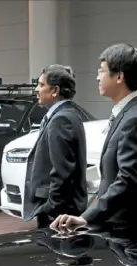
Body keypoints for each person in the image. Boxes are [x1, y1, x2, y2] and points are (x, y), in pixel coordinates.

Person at [52, 44, 137, 233]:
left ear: (119, 76)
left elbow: (127, 181)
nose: (97, 77)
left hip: (130, 235)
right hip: (118, 230)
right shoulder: (126, 114)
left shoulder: (135, 120)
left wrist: (85, 218)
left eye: (102, 71)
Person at [22, 64, 88, 228]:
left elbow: (62, 171)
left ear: (55, 90)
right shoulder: (65, 115)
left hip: (58, 214)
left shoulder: (61, 120)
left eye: (41, 85)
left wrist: (50, 208)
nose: (37, 89)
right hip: (59, 210)